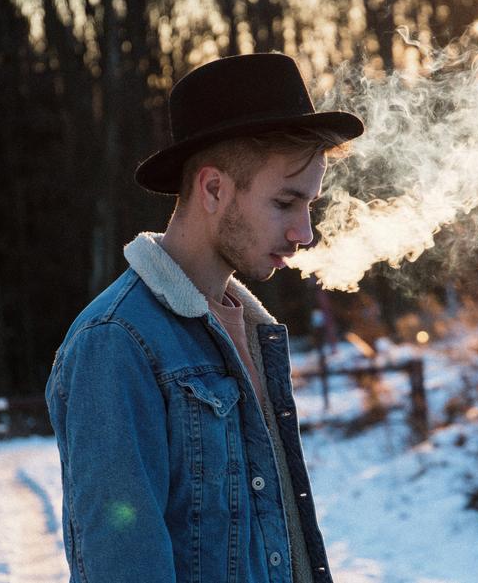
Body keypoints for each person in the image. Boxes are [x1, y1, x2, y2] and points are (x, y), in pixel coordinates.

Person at [45, 53, 363, 583]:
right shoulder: (116, 343)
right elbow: (123, 564)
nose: (304, 233)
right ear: (214, 189)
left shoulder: (254, 330)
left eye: (309, 205)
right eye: (286, 203)